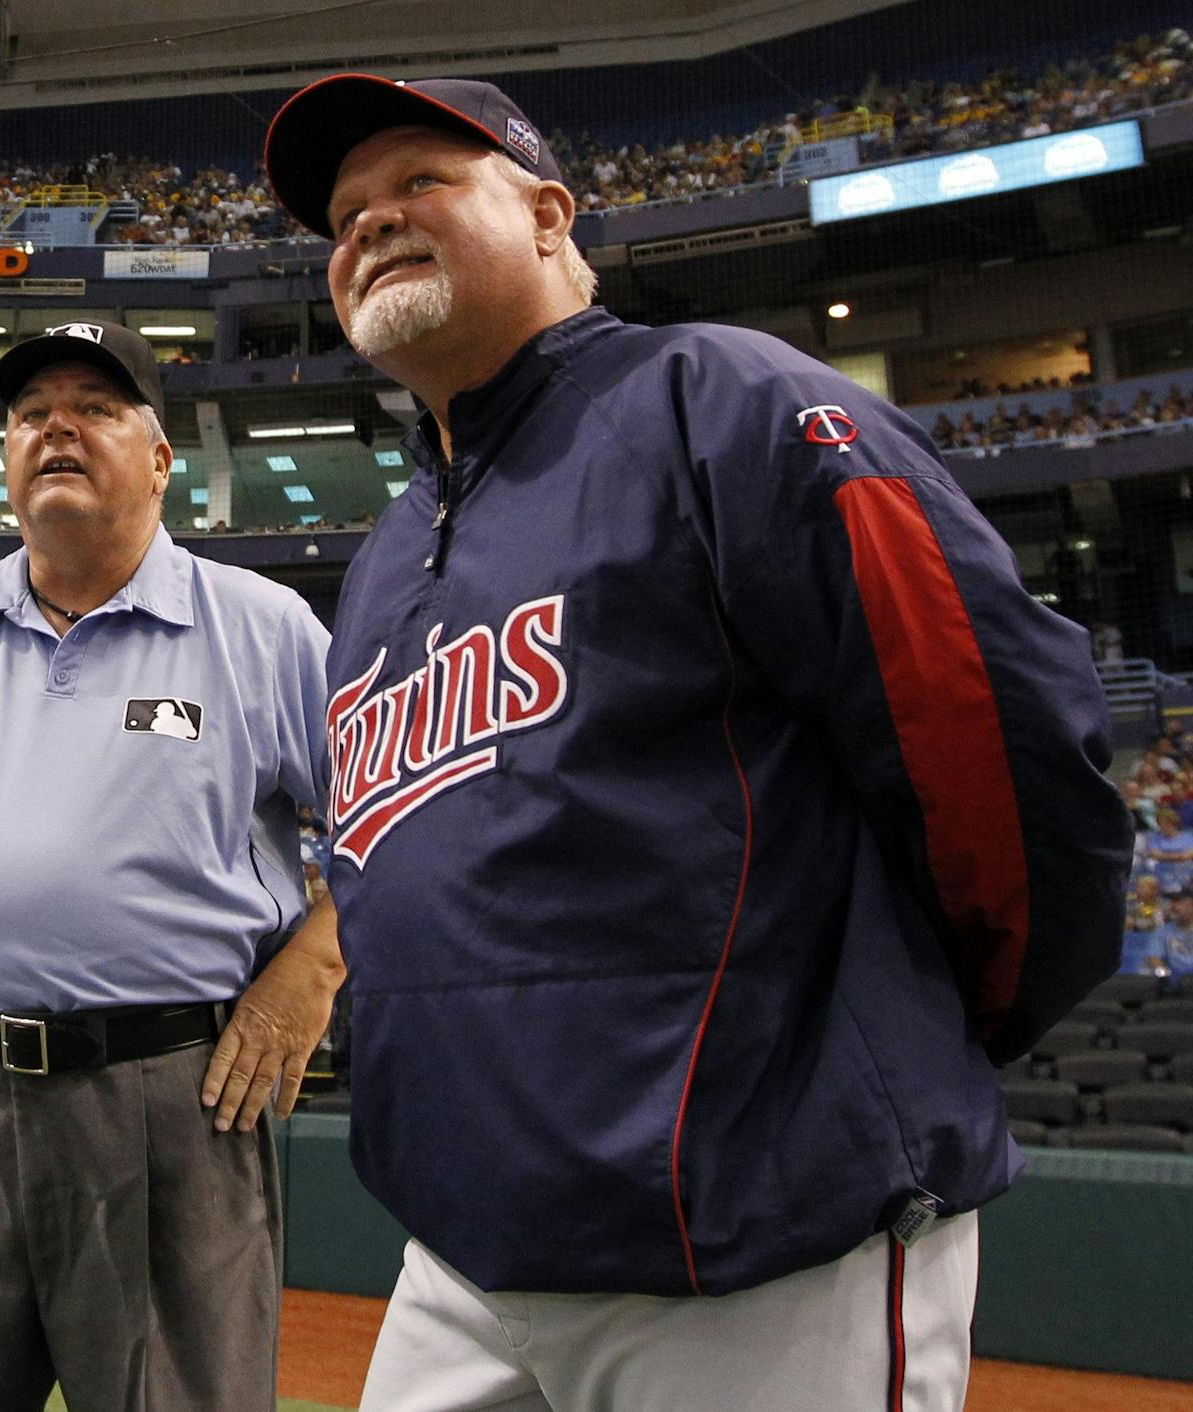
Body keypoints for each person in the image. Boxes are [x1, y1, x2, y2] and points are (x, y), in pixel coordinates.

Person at [262, 74, 1131, 1411]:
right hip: (468, 1258)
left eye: (421, 183)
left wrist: (881, 1051)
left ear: (550, 214)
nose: (370, 222)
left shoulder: (722, 400)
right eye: (344, 213)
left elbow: (1000, 747)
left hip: (768, 1248)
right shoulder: (384, 559)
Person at [0, 321, 340, 1411]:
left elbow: (400, 821)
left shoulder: (263, 629)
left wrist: (311, 969)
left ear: (159, 458)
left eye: (95, 406)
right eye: (31, 411)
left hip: (171, 1093)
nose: (56, 426)